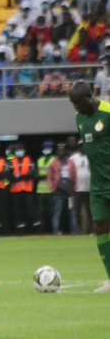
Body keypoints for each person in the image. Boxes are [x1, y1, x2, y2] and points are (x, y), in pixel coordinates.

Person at [68, 81, 110, 292]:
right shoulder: (80, 119)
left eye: (78, 103)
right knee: (100, 227)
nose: (76, 108)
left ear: (88, 97)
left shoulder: (108, 112)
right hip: (98, 185)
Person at [47, 143, 78, 235]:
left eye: (62, 150)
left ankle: (74, 232)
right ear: (56, 152)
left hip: (69, 192)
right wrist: (52, 188)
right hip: (58, 192)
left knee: (72, 212)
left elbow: (75, 176)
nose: (61, 152)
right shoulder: (53, 163)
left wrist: (74, 188)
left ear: (65, 151)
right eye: (59, 150)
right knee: (57, 212)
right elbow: (49, 177)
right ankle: (56, 232)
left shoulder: (70, 162)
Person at [9, 143, 38, 234]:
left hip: (27, 190)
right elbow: (9, 176)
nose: (19, 152)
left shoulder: (30, 161)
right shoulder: (11, 162)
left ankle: (34, 229)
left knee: (30, 210)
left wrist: (18, 176)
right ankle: (20, 230)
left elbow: (32, 174)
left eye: (21, 149)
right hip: (16, 191)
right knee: (18, 211)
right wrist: (23, 176)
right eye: (17, 150)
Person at [70, 140, 92, 235]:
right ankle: (76, 231)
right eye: (81, 146)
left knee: (89, 212)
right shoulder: (73, 158)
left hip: (88, 189)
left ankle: (89, 230)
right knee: (76, 212)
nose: (83, 148)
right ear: (78, 147)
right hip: (77, 189)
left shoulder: (91, 156)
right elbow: (69, 172)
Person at [36, 140, 56, 234]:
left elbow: (56, 174)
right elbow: (36, 174)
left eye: (48, 148)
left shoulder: (54, 159)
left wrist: (44, 176)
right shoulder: (39, 160)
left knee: (51, 212)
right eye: (45, 148)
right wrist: (45, 176)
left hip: (51, 190)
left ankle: (52, 230)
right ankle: (41, 230)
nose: (46, 150)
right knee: (40, 213)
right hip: (41, 190)